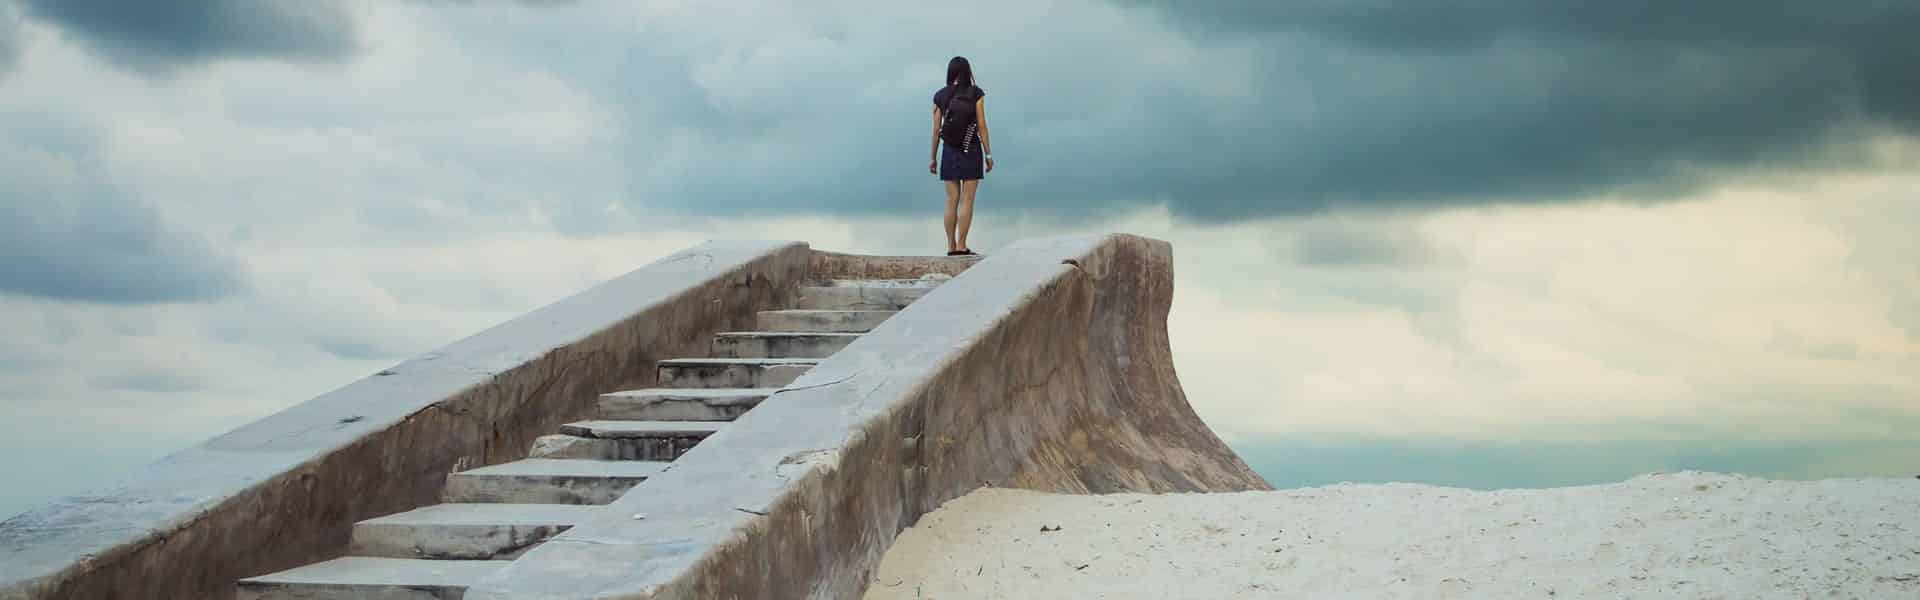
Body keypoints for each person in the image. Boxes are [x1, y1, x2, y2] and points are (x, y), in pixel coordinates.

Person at [930, 56, 993, 256]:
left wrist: (933, 157)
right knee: (967, 199)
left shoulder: (940, 96)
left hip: (948, 150)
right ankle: (961, 245)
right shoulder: (976, 94)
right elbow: (982, 125)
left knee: (951, 200)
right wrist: (988, 154)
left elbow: (935, 130)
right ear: (968, 71)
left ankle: (950, 246)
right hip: (971, 148)